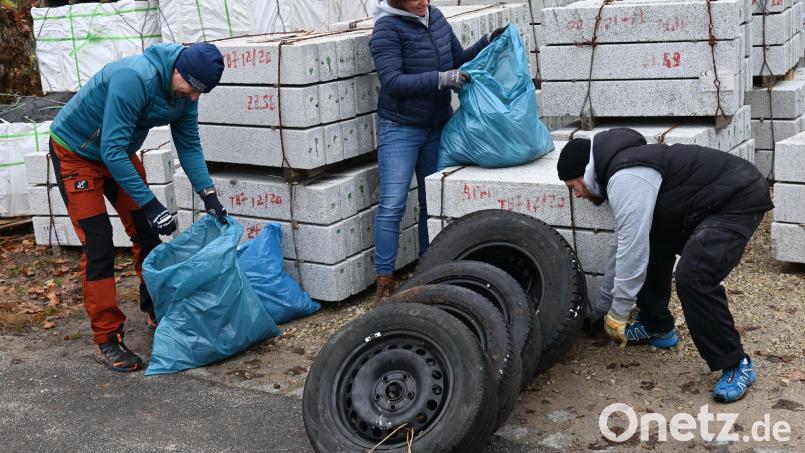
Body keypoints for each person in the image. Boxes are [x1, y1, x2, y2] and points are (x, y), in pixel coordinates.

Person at [556, 128, 773, 403]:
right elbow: (621, 245)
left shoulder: (626, 177)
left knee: (694, 276)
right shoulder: (620, 170)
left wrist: (620, 312)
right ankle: (656, 325)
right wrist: (604, 309)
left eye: (572, 186)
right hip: (699, 205)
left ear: (584, 173)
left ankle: (736, 363)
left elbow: (631, 250)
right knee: (651, 242)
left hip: (735, 199)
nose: (576, 194)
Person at [49, 42, 229, 372]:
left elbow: (188, 145)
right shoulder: (134, 78)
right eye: (192, 88)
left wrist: (209, 195)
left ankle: (153, 309)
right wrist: (150, 202)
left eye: (201, 93)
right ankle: (107, 338)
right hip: (77, 152)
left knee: (147, 234)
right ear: (178, 71)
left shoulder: (185, 95)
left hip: (115, 151)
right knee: (99, 242)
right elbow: (112, 149)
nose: (193, 98)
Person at [370, 0, 507, 300]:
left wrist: (485, 43)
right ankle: (384, 281)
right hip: (400, 129)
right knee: (392, 205)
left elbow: (457, 59)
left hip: (436, 125)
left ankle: (427, 268)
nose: (424, 1)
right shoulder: (386, 29)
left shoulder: (437, 18)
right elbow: (391, 81)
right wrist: (440, 79)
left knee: (431, 201)